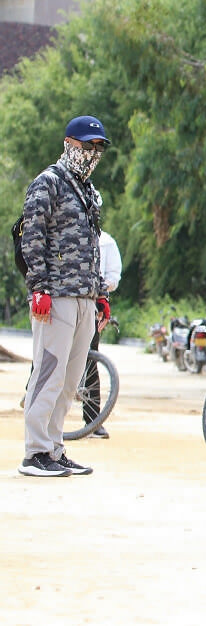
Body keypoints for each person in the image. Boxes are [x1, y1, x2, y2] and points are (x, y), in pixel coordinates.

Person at [18, 115, 111, 477]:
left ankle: (54, 448)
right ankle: (35, 452)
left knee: (72, 378)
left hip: (84, 296)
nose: (92, 153)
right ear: (69, 144)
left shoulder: (87, 191)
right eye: (87, 146)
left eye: (98, 148)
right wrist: (38, 287)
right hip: (54, 295)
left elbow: (94, 248)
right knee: (49, 372)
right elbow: (33, 238)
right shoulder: (48, 183)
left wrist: (100, 293)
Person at [82, 228, 122, 439]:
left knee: (90, 359)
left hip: (92, 304)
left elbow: (111, 277)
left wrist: (102, 295)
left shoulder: (106, 241)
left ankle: (92, 420)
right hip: (64, 299)